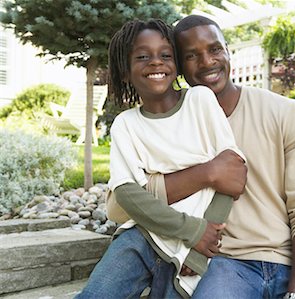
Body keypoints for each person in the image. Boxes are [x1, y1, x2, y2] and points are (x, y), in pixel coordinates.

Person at [108, 15, 295, 299]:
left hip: (291, 263)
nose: (207, 62)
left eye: (215, 49)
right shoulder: (168, 125)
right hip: (225, 265)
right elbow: (119, 207)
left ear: (228, 51)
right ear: (178, 65)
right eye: (191, 55)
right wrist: (208, 173)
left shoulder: (287, 114)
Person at [76, 18, 246, 298]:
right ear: (125, 72)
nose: (156, 62)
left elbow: (233, 175)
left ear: (176, 64)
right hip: (141, 238)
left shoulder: (200, 100)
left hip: (192, 249)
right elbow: (128, 194)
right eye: (143, 56)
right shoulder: (126, 124)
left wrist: (202, 243)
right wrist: (192, 230)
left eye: (165, 55)